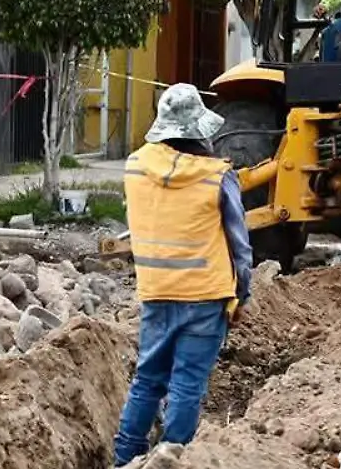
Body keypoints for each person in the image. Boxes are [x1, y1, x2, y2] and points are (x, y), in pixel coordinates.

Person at [112, 83, 253, 467]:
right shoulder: (217, 175)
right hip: (206, 297)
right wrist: (242, 296)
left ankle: (124, 458)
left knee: (148, 380)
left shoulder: (135, 166)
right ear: (200, 129)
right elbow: (240, 247)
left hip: (156, 292)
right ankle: (172, 457)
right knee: (187, 383)